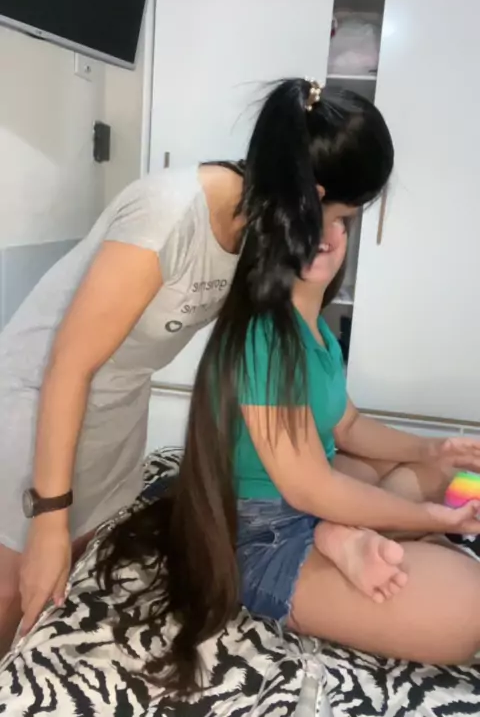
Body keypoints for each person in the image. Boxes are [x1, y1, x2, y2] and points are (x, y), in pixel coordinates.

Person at [98, 79, 480, 696]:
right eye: (314, 215)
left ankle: (346, 535)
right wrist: (427, 517)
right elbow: (311, 486)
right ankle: (341, 538)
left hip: (311, 500)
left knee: (436, 475)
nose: (330, 235)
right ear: (277, 217)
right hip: (265, 533)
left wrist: (428, 451)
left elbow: (347, 425)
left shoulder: (316, 329)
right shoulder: (266, 334)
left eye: (345, 220)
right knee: (467, 609)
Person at [0, 78, 394, 657]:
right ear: (308, 194)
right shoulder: (171, 215)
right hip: (41, 396)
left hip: (118, 401)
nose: (334, 237)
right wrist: (49, 518)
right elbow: (68, 366)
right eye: (337, 217)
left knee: (71, 577)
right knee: (18, 582)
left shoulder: (263, 229)